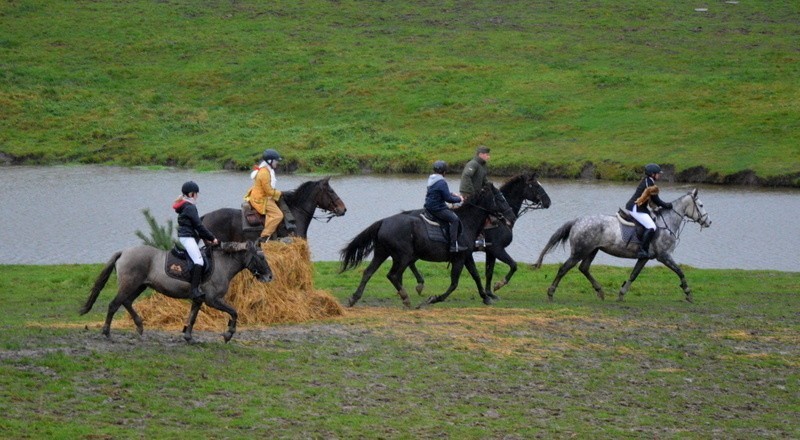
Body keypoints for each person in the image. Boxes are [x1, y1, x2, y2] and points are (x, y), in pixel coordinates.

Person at [173, 181, 219, 299]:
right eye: (196, 194)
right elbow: (199, 226)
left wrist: (205, 238)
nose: (197, 196)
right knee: (199, 261)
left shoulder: (185, 205)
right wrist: (212, 238)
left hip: (187, 236)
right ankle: (194, 290)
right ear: (191, 194)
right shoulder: (190, 207)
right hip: (187, 237)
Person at [625, 163, 673, 258]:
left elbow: (651, 200)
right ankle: (642, 250)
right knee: (652, 227)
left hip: (640, 207)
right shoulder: (650, 183)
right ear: (652, 174)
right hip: (636, 207)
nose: (659, 175)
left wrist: (657, 208)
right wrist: (666, 205)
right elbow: (656, 200)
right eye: (658, 173)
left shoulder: (648, 181)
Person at [425, 160, 465, 252]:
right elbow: (448, 199)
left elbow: (438, 192)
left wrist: (452, 194)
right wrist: (460, 199)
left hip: (429, 206)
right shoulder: (442, 182)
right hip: (437, 208)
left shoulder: (432, 179)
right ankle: (453, 245)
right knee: (454, 219)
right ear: (444, 172)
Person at [244, 149, 284, 240]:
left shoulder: (265, 170)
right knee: (278, 215)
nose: (277, 163)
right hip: (261, 198)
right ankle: (264, 236)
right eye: (276, 161)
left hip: (262, 195)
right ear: (270, 161)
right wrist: (280, 193)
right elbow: (269, 191)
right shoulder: (264, 173)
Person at [459, 145, 491, 248]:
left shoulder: (482, 166)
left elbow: (485, 180)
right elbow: (466, 176)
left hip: (477, 195)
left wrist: (492, 191)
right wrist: (471, 193)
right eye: (486, 154)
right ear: (480, 154)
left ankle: (481, 235)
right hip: (469, 194)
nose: (488, 156)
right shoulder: (473, 164)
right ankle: (475, 237)